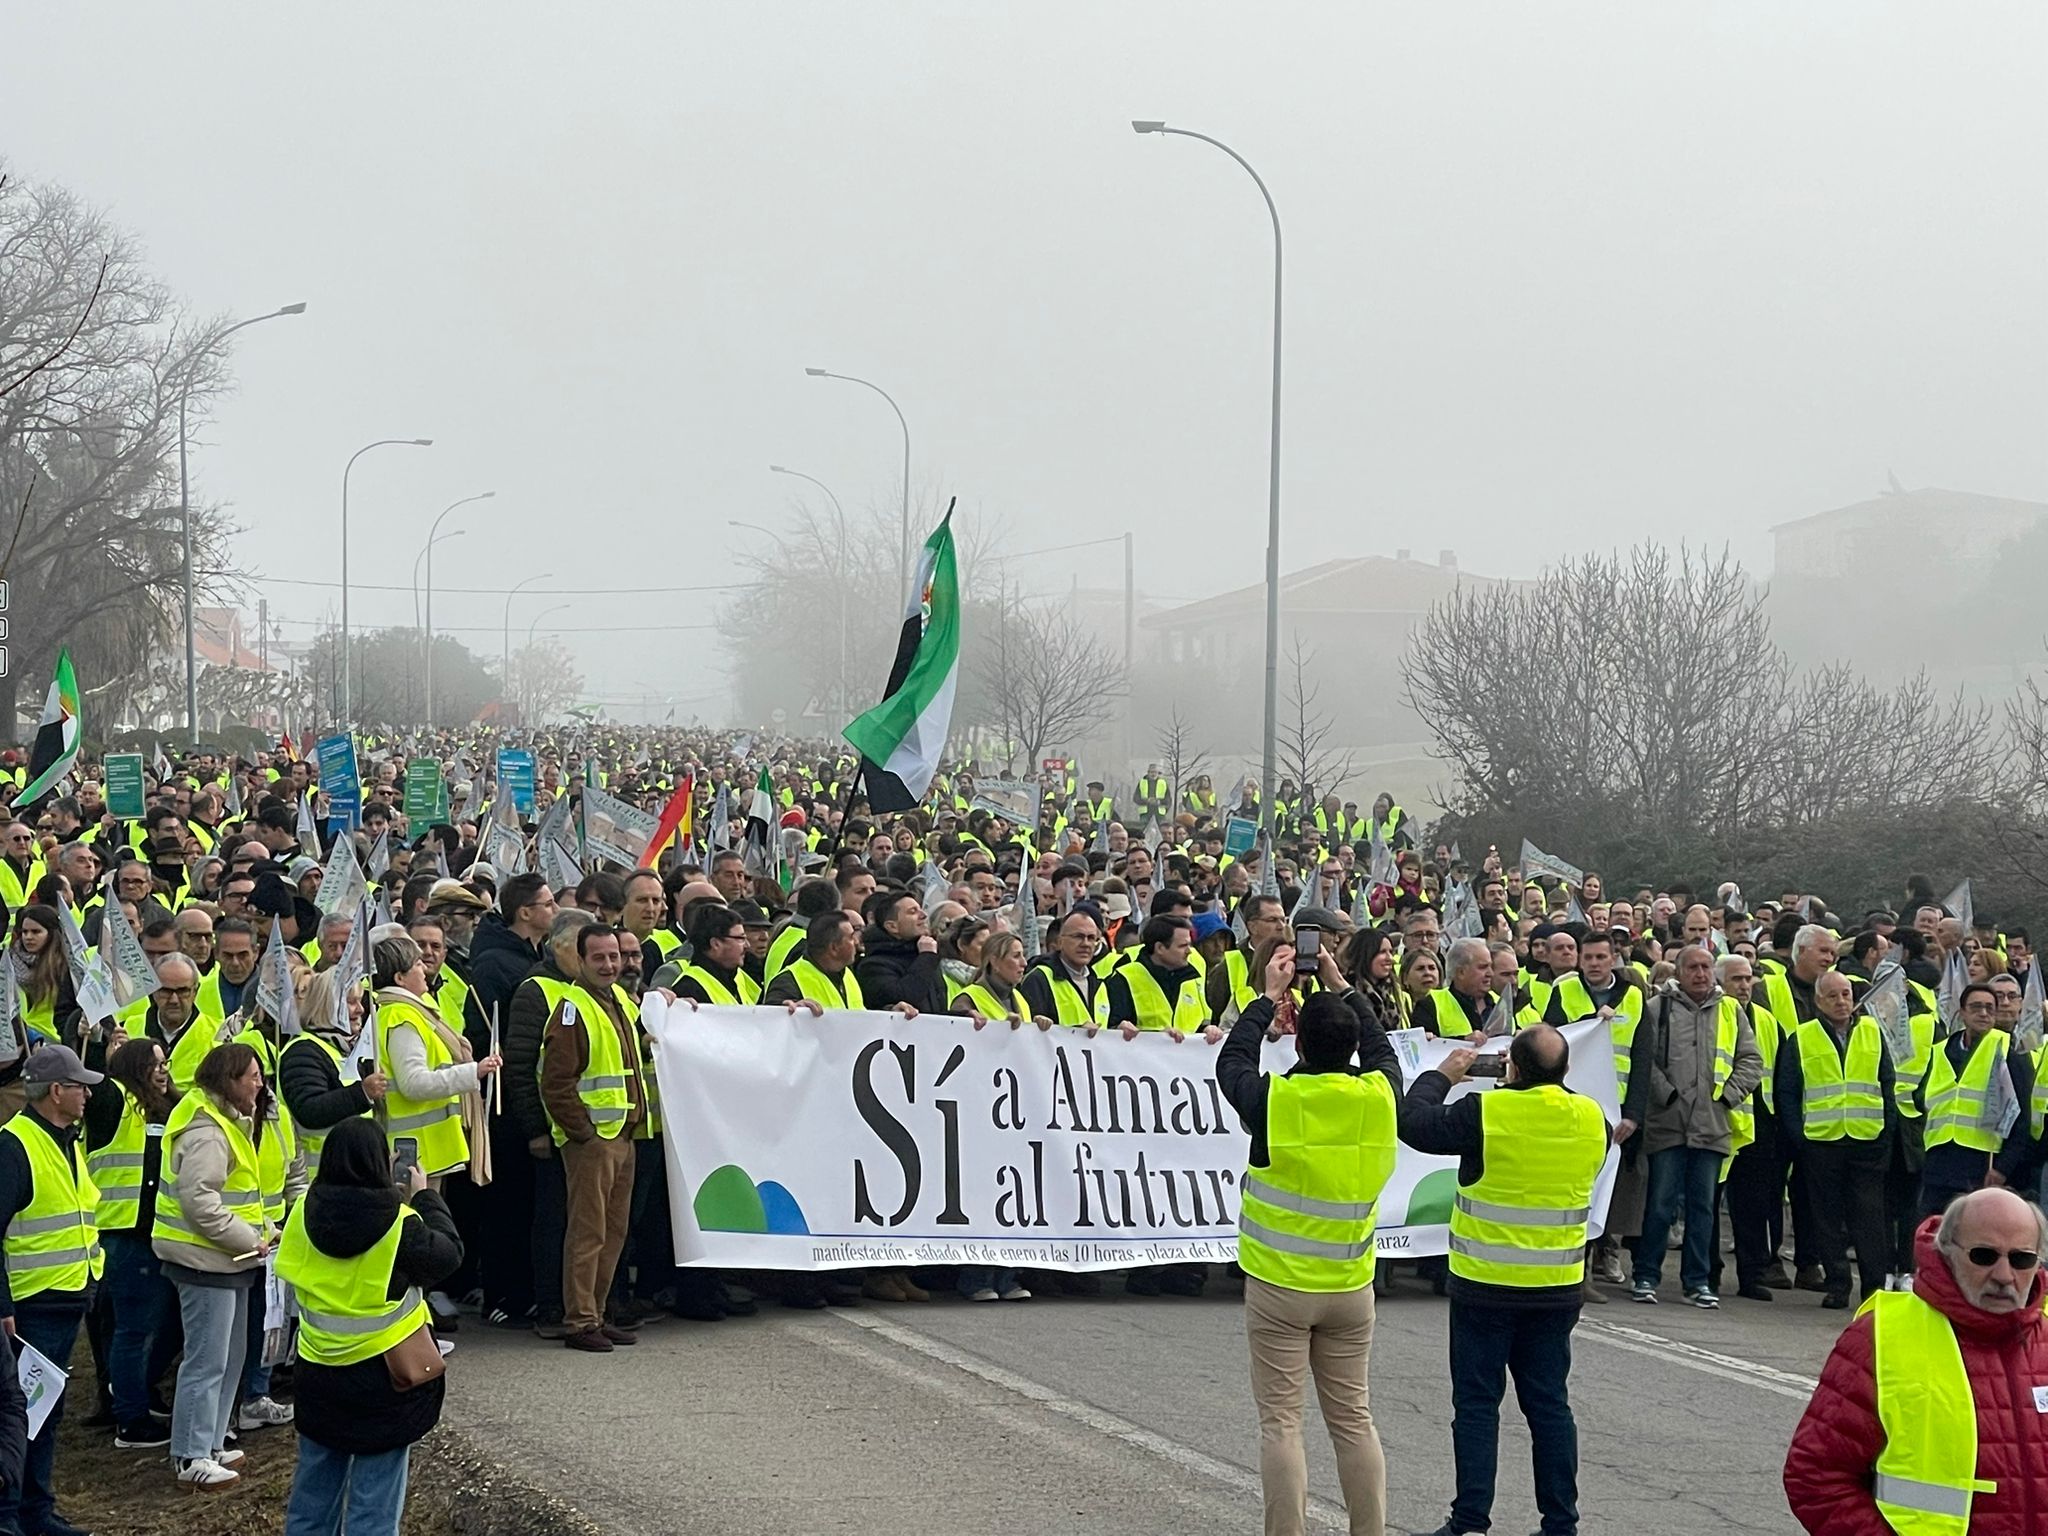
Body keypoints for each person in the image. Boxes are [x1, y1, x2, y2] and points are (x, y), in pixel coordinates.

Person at [1398, 1025, 1613, 1536]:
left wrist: (1440, 1076)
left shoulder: (1485, 1112)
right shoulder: (1594, 1119)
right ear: (1565, 1070)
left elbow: (1412, 1123)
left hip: (1485, 1286)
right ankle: (1560, 1524)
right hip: (1557, 1288)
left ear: (1511, 1067)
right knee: (1549, 1406)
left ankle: (1470, 1520)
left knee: (1476, 1405)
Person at [1218, 942, 1402, 1536]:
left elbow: (1232, 1065)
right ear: (1350, 1048)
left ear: (1297, 1043)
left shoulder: (1279, 1098)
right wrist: (1342, 983)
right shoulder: (1379, 1095)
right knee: (1353, 1420)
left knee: (1282, 1423)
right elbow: (1382, 1051)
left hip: (1279, 1286)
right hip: (1351, 1285)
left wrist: (1267, 998)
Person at [1784, 1187, 2048, 1534]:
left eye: (2021, 1259)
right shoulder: (1883, 1336)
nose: (2003, 1275)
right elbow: (1816, 1475)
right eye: (1984, 1256)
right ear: (1948, 1253)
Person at [277, 1117, 464, 1536]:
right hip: (386, 1379)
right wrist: (426, 1199)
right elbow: (449, 1255)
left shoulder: (302, 1213)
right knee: (374, 1509)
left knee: (312, 1499)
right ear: (382, 1162)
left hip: (318, 1372)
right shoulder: (401, 1225)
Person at [155, 1041, 281, 1491]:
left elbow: (236, 1195)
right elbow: (200, 1202)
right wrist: (252, 1238)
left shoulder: (224, 1122)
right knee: (208, 1359)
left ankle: (209, 1443)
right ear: (229, 1081)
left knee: (230, 1357)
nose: (260, 1084)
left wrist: (264, 1230)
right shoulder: (207, 1130)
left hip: (229, 1259)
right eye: (252, 1076)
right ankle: (191, 1455)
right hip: (206, 1262)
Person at [1620, 945, 1762, 1307]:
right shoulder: (1657, 1009)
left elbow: (1751, 1059)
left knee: (1704, 1208)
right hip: (1668, 1122)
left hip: (1712, 1124)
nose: (1700, 974)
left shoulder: (1731, 1010)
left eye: (1706, 967)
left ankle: (1698, 1281)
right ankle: (1646, 1274)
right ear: (1678, 972)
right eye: (1693, 967)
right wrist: (1665, 1094)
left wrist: (1727, 1097)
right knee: (1660, 1204)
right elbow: (1644, 1060)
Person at [0, 1046, 104, 1536]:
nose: (88, 1093)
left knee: (43, 1415)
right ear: (56, 1092)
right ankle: (15, 1515)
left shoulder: (65, 1138)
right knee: (22, 1419)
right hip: (32, 1304)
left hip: (64, 1298)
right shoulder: (15, 1146)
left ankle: (34, 1510)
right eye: (80, 1085)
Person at [539, 925, 647, 1352]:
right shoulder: (571, 1008)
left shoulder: (619, 999)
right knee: (588, 1233)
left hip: (622, 1134)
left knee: (613, 1231)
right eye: (599, 958)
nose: (609, 965)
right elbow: (556, 1083)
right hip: (594, 1140)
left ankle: (597, 1314)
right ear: (580, 961)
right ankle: (580, 1321)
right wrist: (583, 1133)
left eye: (614, 957)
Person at [1776, 968, 1894, 1308]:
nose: (1842, 1001)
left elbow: (1887, 1083)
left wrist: (1886, 1132)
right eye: (1833, 996)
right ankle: (1838, 1283)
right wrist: (1800, 1137)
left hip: (1866, 1139)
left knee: (1869, 1217)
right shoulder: (1803, 1036)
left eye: (1846, 994)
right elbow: (1788, 1091)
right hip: (1821, 1141)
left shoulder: (1873, 1031)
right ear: (1818, 1001)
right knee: (1826, 1218)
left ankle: (1873, 1287)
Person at [83, 1037, 179, 1451]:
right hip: (122, 1237)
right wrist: (100, 1043)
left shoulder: (167, 1106)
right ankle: (131, 1419)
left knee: (165, 1324)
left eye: (166, 1062)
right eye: (154, 1063)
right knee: (133, 1330)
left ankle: (137, 1394)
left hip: (157, 1235)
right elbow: (97, 1084)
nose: (162, 1069)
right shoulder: (114, 1100)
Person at [369, 934, 500, 1187]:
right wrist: (474, 1072)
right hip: (415, 1150)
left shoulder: (410, 1010)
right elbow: (414, 1084)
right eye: (417, 964)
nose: (424, 969)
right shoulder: (401, 1016)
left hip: (426, 1149)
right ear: (400, 978)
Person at [1914, 980, 2033, 1221]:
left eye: (1990, 1008)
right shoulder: (1941, 1050)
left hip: (1981, 1162)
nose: (1984, 1013)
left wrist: (2002, 1168)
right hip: (1939, 1160)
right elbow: (1920, 1097)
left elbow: (2022, 1117)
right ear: (1963, 1012)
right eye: (1977, 1007)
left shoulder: (2008, 1049)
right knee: (1931, 1232)